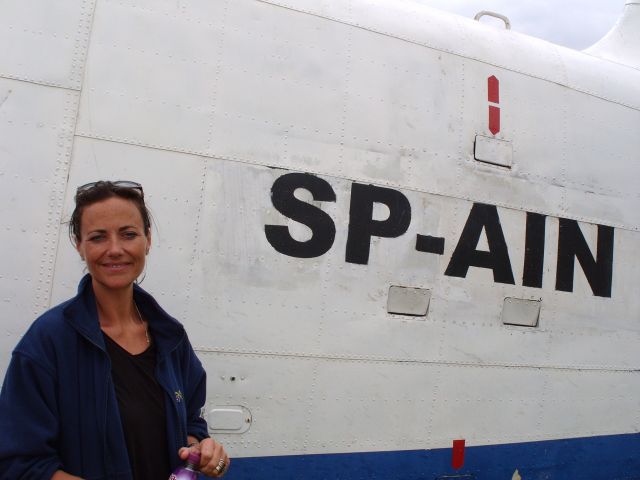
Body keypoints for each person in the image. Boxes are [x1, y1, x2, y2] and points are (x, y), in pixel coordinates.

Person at [0, 180, 229, 479]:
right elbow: (19, 464)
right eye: (97, 237)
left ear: (147, 240)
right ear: (79, 245)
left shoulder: (170, 339)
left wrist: (202, 452)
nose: (115, 249)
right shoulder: (47, 342)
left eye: (128, 234)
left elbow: (189, 425)